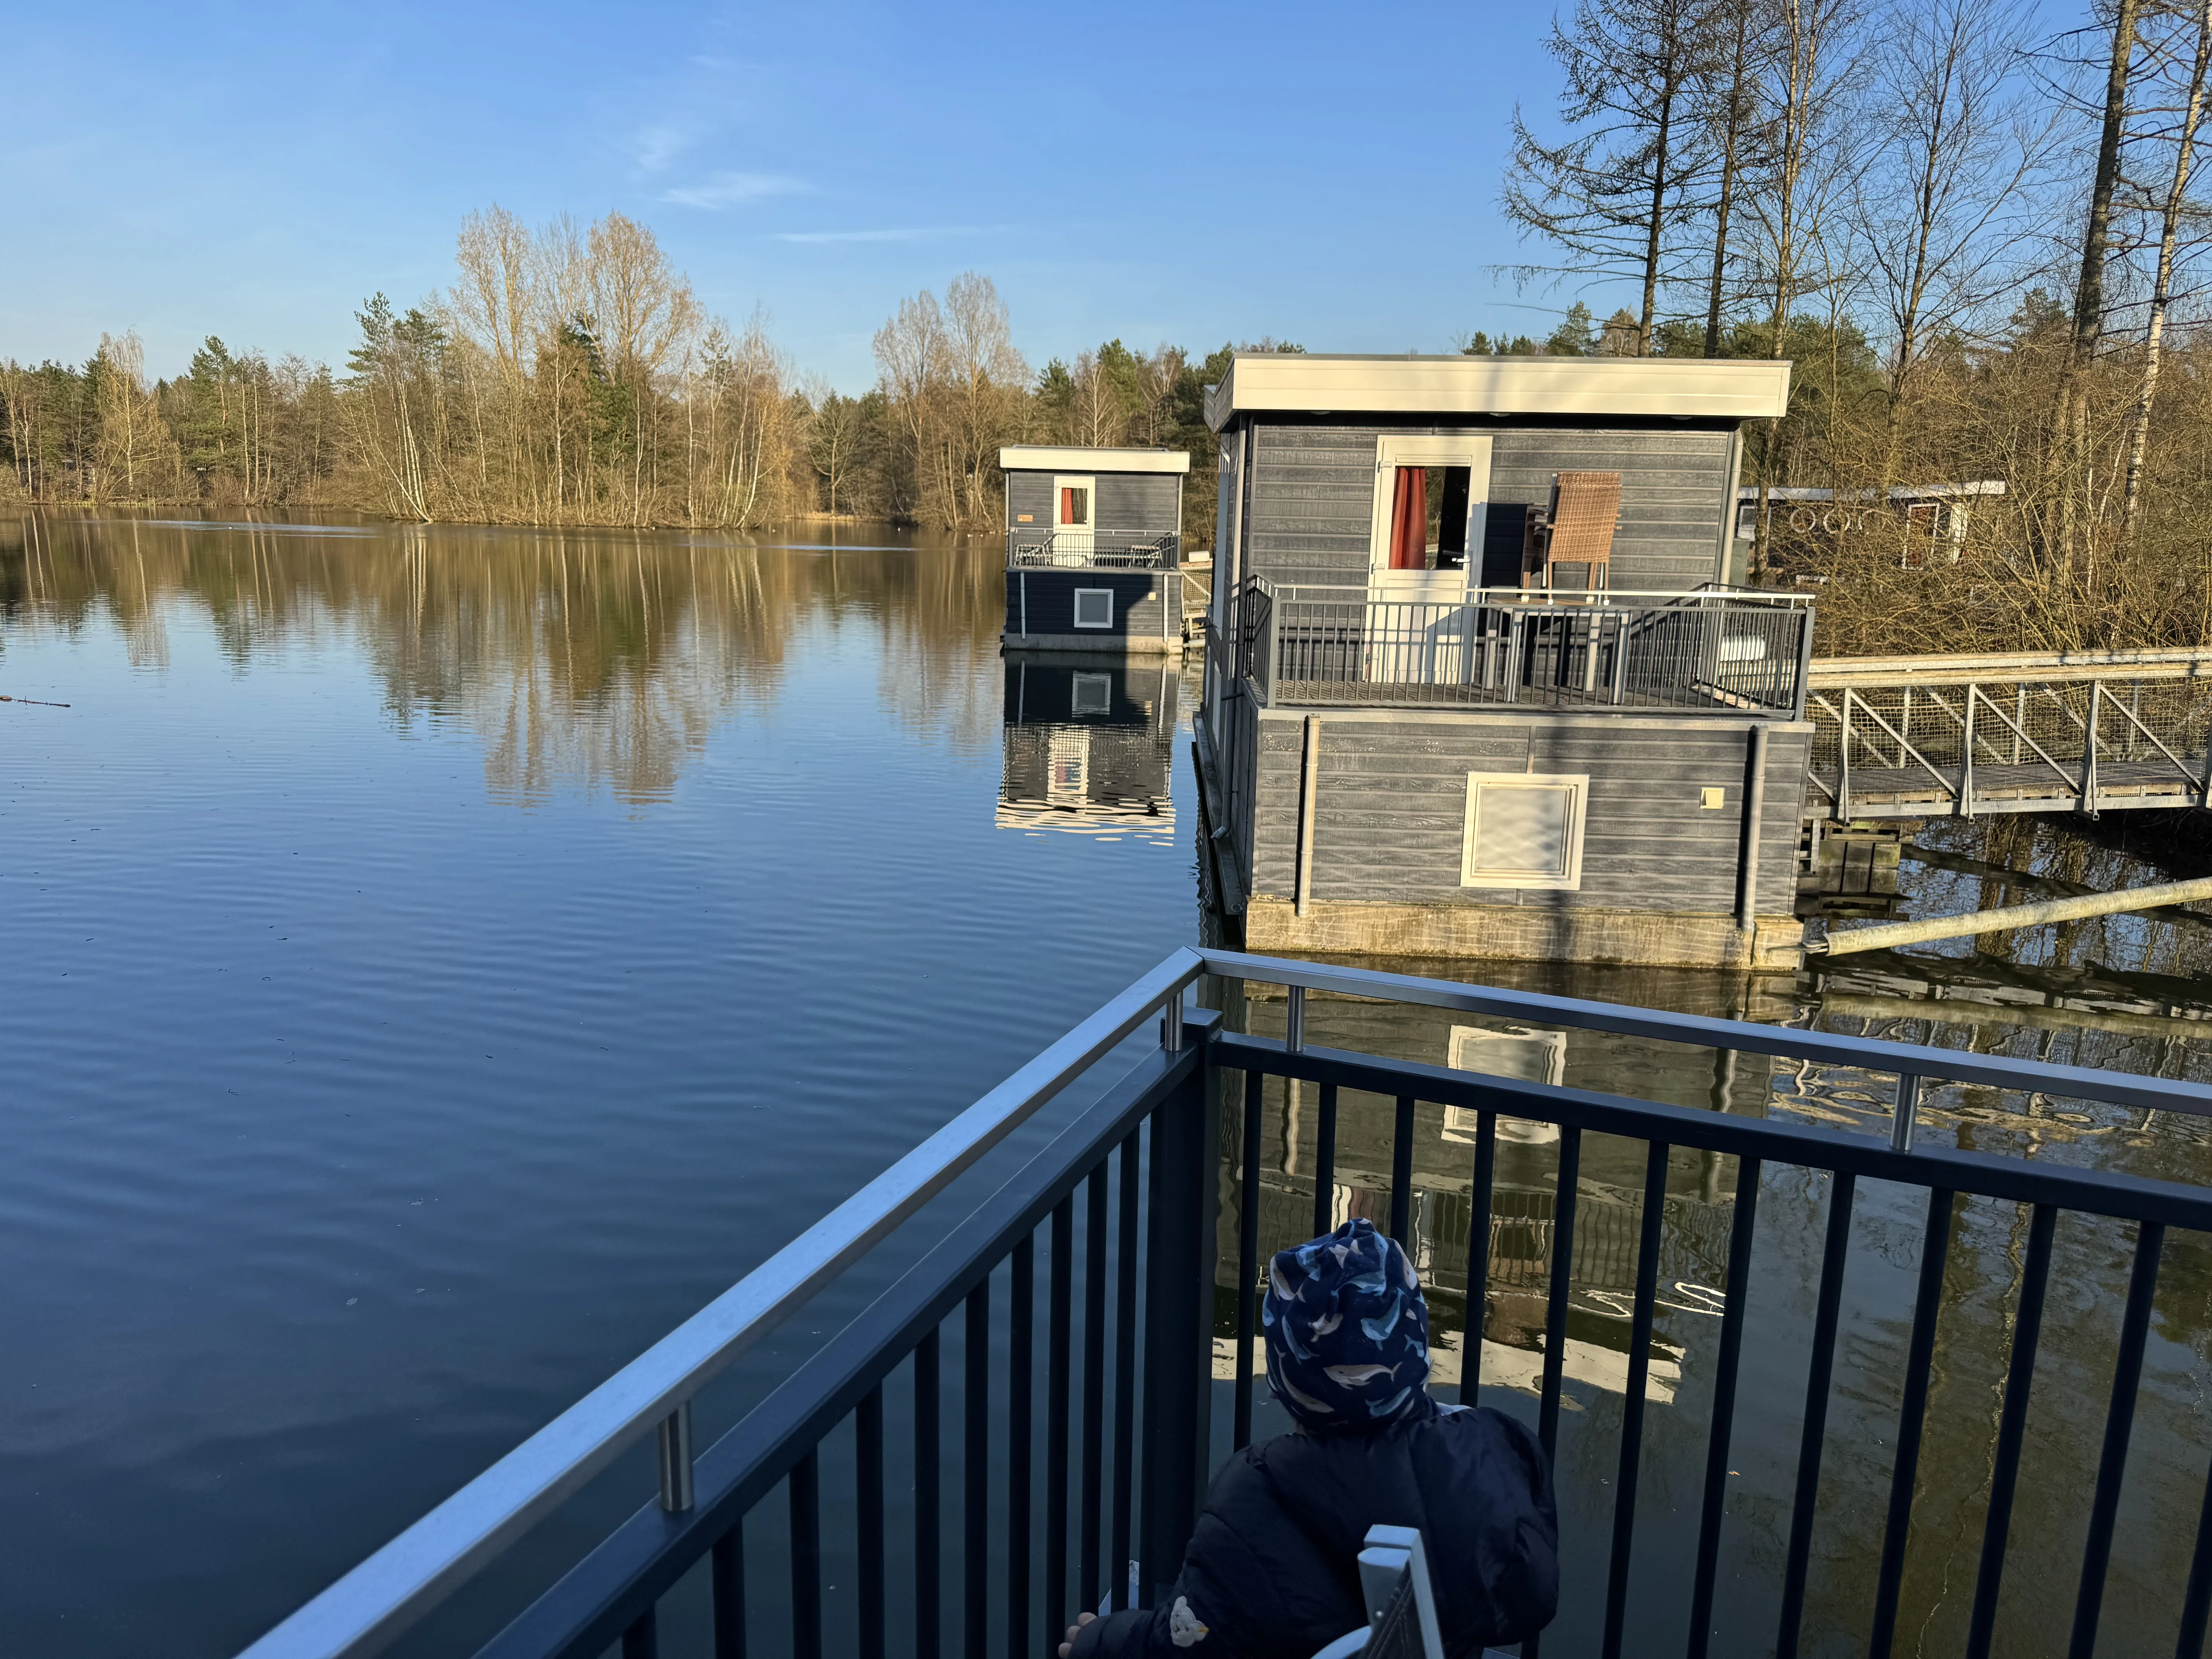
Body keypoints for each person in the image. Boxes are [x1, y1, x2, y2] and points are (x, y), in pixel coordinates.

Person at [1058, 1218, 1556, 1659]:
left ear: (1286, 1385)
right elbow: (1531, 1597)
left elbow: (1188, 1638)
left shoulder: (1251, 1505)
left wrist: (1098, 1640)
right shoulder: (1496, 1449)